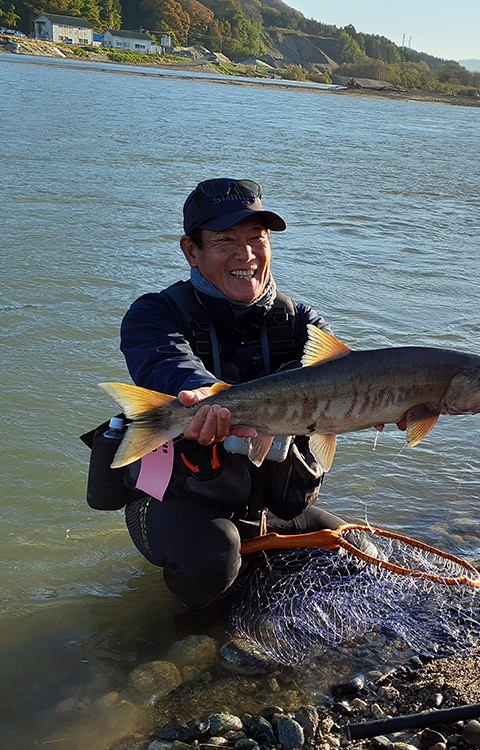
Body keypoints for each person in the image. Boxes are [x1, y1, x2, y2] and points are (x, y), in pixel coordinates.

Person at [113, 178, 346, 611]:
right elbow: (166, 364)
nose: (246, 255)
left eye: (257, 239)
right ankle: (186, 648)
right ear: (191, 251)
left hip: (268, 505)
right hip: (176, 504)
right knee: (213, 558)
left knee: (350, 558)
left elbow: (337, 380)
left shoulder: (302, 321)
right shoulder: (154, 313)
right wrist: (198, 395)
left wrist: (395, 402)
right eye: (225, 241)